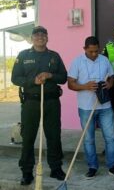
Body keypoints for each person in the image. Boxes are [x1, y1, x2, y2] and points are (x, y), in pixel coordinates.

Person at [11, 26, 67, 185]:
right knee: (28, 137)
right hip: (31, 103)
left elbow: (63, 77)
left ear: (47, 38)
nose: (40, 37)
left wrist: (50, 75)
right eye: (37, 35)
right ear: (32, 38)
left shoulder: (54, 56)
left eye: (43, 35)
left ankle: (56, 168)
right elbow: (15, 78)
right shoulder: (23, 56)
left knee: (54, 136)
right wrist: (32, 81)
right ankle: (27, 171)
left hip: (51, 102)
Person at [67, 36, 114, 179]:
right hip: (86, 107)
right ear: (85, 49)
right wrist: (85, 86)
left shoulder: (104, 60)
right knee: (88, 138)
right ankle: (92, 166)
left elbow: (112, 76)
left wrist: (110, 83)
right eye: (91, 51)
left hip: (105, 106)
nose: (94, 54)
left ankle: (112, 166)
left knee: (110, 137)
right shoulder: (77, 62)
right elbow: (70, 84)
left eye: (96, 51)